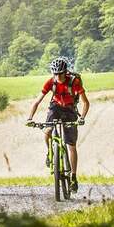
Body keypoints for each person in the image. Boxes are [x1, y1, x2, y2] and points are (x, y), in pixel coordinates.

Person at [26, 56, 90, 192]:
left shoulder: (74, 82)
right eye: (55, 74)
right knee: (47, 131)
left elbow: (85, 102)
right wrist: (30, 118)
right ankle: (50, 153)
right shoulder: (51, 82)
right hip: (55, 108)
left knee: (71, 145)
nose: (58, 77)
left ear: (65, 72)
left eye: (60, 74)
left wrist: (82, 117)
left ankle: (73, 177)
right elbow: (37, 101)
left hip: (70, 109)